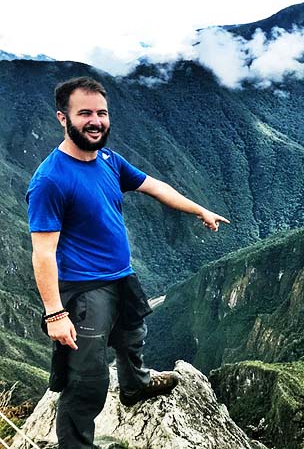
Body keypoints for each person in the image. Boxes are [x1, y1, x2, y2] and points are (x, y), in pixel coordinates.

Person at [26, 76, 230, 448]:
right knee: (86, 381)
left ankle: (134, 386)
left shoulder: (108, 160)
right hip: (85, 291)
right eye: (84, 112)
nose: (95, 121)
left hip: (121, 274)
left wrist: (200, 209)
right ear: (62, 118)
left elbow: (155, 187)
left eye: (101, 113)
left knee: (132, 336)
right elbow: (42, 251)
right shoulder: (50, 180)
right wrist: (55, 313)